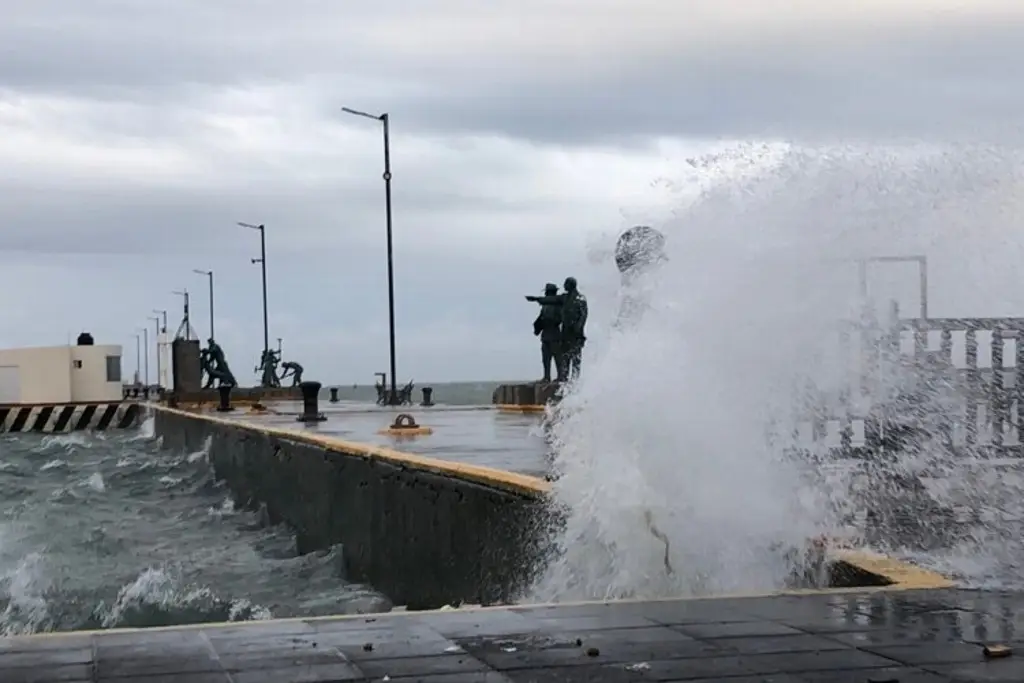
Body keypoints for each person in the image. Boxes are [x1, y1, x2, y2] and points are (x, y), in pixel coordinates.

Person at [530, 283, 564, 382]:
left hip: (555, 334)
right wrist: (538, 325)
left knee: (557, 357)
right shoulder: (545, 306)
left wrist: (549, 320)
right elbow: (540, 318)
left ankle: (560, 376)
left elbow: (560, 318)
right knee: (546, 358)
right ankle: (546, 376)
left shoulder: (558, 305)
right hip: (545, 335)